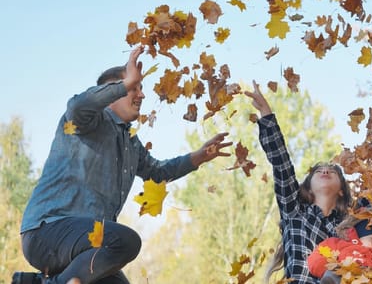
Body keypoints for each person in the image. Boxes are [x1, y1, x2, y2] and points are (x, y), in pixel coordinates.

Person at [12, 47, 232, 284]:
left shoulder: (130, 142)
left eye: (140, 88)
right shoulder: (88, 121)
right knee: (126, 241)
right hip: (47, 233)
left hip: (88, 249)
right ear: (111, 93)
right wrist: (125, 82)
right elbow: (77, 106)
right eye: (133, 88)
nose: (141, 95)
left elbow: (157, 172)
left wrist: (198, 156)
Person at [244, 81, 353, 283]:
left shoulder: (347, 227)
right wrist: (266, 114)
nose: (326, 170)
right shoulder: (295, 211)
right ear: (308, 188)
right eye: (318, 171)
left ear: (341, 191)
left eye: (332, 171)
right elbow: (282, 164)